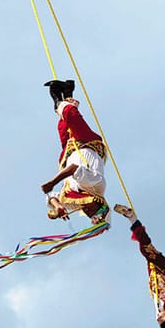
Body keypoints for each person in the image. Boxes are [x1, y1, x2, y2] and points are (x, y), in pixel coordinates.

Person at [40, 79, 110, 224]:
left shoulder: (75, 201)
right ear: (99, 203)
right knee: (71, 115)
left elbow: (51, 196)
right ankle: (59, 100)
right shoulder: (96, 186)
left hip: (69, 151)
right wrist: (52, 182)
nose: (87, 211)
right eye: (93, 210)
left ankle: (67, 92)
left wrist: (58, 206)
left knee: (62, 125)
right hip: (87, 143)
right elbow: (74, 169)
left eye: (88, 214)